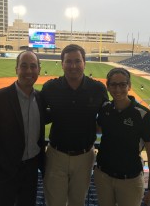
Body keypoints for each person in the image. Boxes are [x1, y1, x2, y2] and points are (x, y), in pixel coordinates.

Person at [41, 44, 108, 206]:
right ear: (62, 64)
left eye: (77, 61)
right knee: (54, 202)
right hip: (56, 155)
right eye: (68, 61)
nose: (73, 66)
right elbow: (39, 117)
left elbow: (108, 120)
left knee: (77, 202)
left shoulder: (98, 89)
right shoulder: (50, 88)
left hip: (85, 156)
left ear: (84, 63)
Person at [0, 51, 45, 206]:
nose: (29, 71)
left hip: (30, 173)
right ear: (16, 69)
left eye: (33, 66)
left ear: (39, 70)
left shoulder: (41, 98)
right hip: (3, 174)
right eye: (24, 66)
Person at [94, 67, 150, 206]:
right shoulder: (105, 109)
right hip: (103, 176)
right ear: (108, 87)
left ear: (129, 86)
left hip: (130, 180)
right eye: (113, 85)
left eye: (122, 84)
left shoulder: (144, 115)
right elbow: (98, 128)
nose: (118, 89)